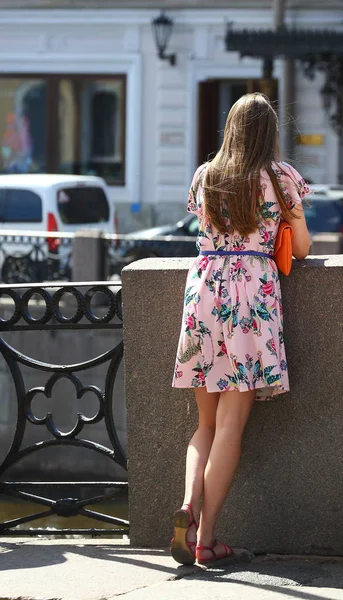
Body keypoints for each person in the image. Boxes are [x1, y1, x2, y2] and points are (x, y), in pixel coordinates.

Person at [171, 93, 311, 566]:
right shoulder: (280, 177)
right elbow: (304, 248)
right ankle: (206, 539)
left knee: (204, 423)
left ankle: (188, 504)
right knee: (231, 425)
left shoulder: (205, 175)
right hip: (251, 296)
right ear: (268, 133)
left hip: (205, 290)